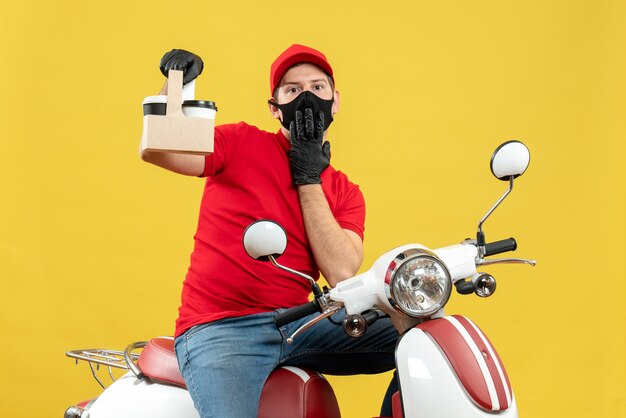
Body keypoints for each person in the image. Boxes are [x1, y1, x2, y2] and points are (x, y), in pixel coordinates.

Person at [141, 44, 399, 418]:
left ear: (336, 101)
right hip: (222, 329)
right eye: (293, 90)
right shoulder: (241, 143)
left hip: (303, 323)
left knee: (426, 338)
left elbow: (341, 272)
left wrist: (308, 177)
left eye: (317, 87)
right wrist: (177, 87)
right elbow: (159, 150)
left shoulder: (345, 190)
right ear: (274, 108)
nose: (307, 97)